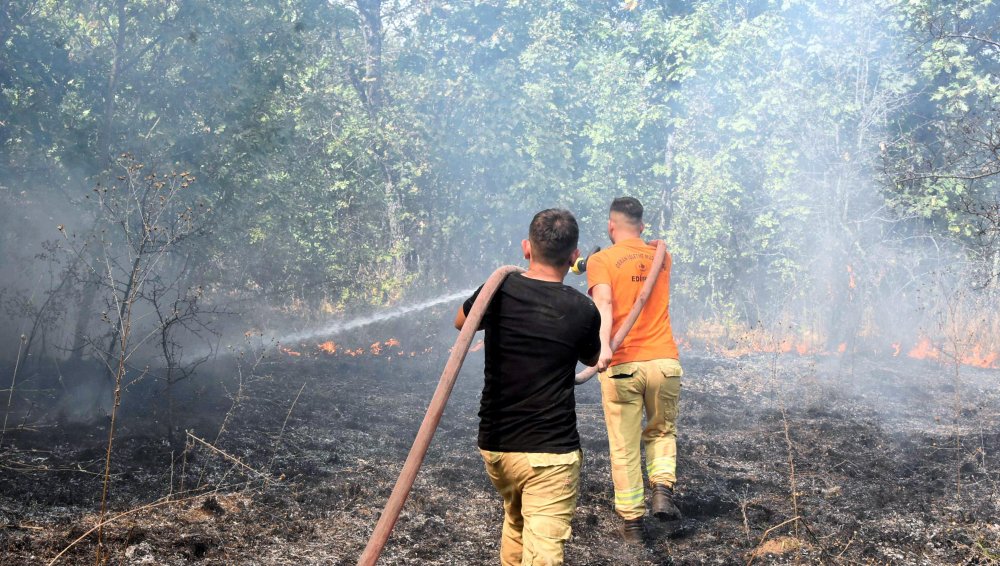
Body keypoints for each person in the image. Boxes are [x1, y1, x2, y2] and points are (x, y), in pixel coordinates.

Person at [455, 208, 601, 566]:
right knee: (544, 552)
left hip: (498, 450)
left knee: (517, 525)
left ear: (526, 248)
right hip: (548, 456)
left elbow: (462, 321)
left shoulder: (499, 290)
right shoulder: (583, 310)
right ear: (573, 257)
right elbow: (593, 357)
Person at [586, 196, 683, 544]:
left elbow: (605, 305)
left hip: (623, 365)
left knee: (624, 446)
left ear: (610, 226)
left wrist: (604, 348)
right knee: (661, 431)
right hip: (665, 363)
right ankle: (662, 489)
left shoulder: (602, 261)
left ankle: (632, 526)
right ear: (641, 225)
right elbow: (646, 259)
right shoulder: (663, 257)